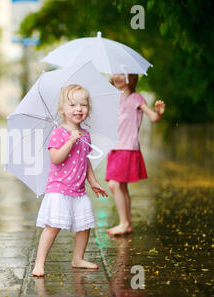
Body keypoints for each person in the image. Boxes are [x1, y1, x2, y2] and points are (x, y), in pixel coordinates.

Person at [32, 84, 108, 277]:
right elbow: (56, 158)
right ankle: (39, 262)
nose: (79, 109)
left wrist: (93, 182)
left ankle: (78, 258)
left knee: (84, 225)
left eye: (83, 105)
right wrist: (71, 141)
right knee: (53, 225)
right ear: (62, 110)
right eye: (73, 104)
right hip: (59, 189)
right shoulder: (59, 133)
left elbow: (86, 161)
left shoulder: (86, 135)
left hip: (78, 190)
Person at [106, 73, 166, 236]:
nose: (117, 77)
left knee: (114, 185)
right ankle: (128, 223)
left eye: (122, 74)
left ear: (131, 78)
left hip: (128, 148)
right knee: (122, 186)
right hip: (115, 149)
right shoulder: (114, 100)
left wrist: (158, 113)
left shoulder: (136, 98)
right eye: (115, 73)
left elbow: (153, 117)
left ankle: (124, 223)